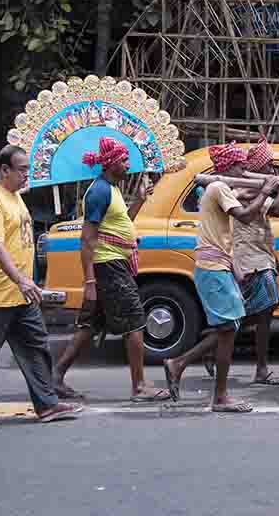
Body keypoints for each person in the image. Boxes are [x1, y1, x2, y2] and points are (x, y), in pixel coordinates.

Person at [0, 145, 82, 433]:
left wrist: (26, 282)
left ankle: (46, 404)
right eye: (22, 169)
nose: (26, 174)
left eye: (28, 169)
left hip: (21, 292)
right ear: (4, 170)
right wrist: (20, 278)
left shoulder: (14, 196)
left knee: (37, 345)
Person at [162, 142, 279, 413]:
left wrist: (235, 269)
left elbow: (227, 234)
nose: (244, 169)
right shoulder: (218, 188)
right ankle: (205, 385)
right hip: (211, 267)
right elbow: (243, 216)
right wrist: (265, 189)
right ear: (229, 167)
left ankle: (183, 367)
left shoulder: (224, 189)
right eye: (240, 166)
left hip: (221, 266)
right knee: (229, 328)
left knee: (230, 327)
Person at [51, 138, 170, 402]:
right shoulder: (99, 192)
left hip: (115, 263)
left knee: (91, 325)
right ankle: (139, 387)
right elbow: (87, 239)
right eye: (124, 159)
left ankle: (55, 377)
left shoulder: (113, 189)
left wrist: (139, 201)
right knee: (136, 320)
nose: (128, 164)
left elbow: (122, 222)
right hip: (108, 265)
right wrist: (90, 282)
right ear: (111, 162)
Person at [232, 139, 279, 386]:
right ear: (259, 168)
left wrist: (276, 261)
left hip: (262, 258)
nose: (272, 171)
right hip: (250, 259)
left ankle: (216, 340)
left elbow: (265, 229)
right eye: (269, 166)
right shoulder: (243, 192)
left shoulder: (257, 189)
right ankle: (257, 367)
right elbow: (277, 210)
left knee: (261, 312)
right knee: (262, 312)